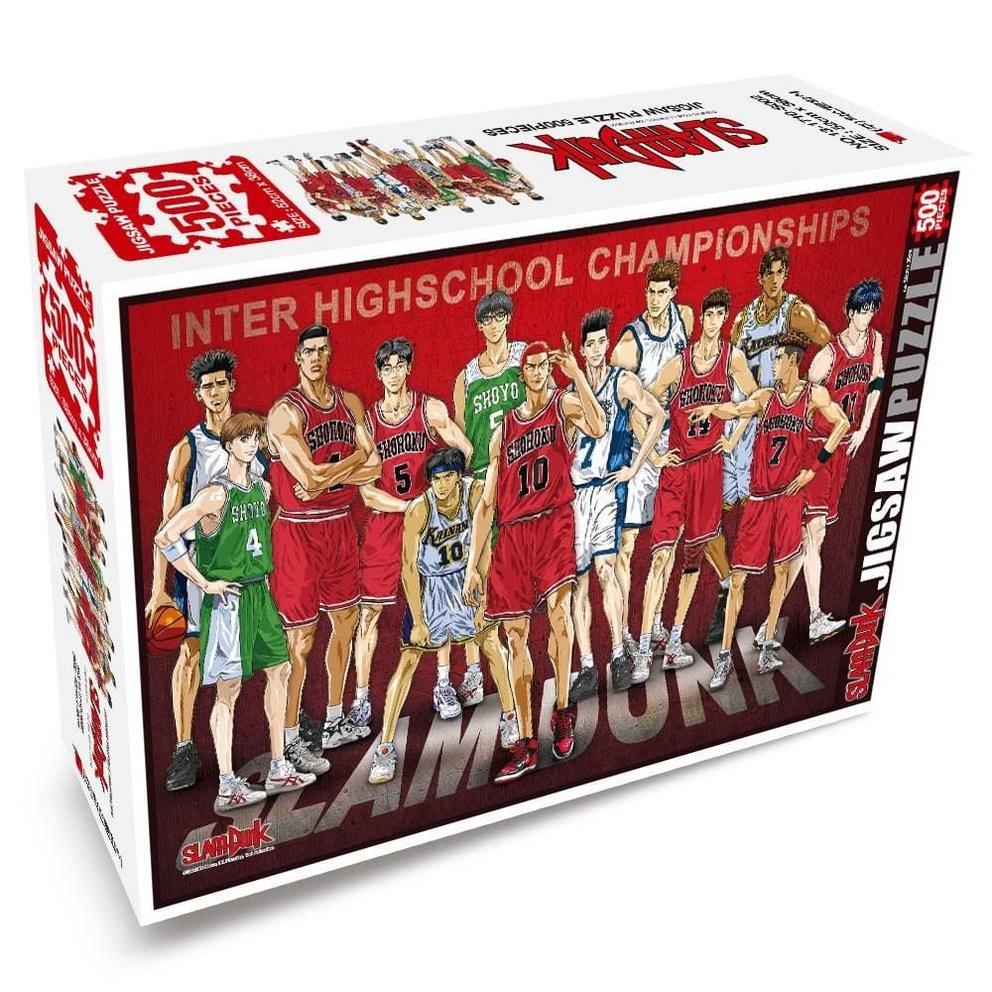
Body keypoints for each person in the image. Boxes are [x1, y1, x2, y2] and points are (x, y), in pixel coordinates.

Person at [154, 413, 318, 814]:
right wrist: (202, 582)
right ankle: (227, 784)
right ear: (228, 445)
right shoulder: (214, 494)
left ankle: (278, 766)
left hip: (260, 592)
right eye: (244, 439)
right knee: (228, 690)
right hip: (228, 599)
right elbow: (165, 535)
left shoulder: (262, 489)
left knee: (280, 669)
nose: (251, 444)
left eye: (255, 438)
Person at [464, 336, 606, 783]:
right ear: (521, 373)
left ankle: (562, 710)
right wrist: (472, 565)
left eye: (546, 365)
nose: (540, 371)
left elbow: (598, 426)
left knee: (560, 616)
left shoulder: (563, 405)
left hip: (553, 522)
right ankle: (525, 740)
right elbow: (487, 502)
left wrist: (576, 373)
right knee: (515, 637)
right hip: (513, 535)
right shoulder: (503, 428)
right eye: (533, 366)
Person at [692, 337, 849, 691]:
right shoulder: (766, 397)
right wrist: (711, 409)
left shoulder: (812, 396)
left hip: (788, 499)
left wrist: (813, 468)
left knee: (781, 572)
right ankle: (724, 658)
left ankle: (764, 647)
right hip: (760, 500)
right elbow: (737, 410)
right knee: (738, 579)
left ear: (792, 361)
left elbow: (841, 424)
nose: (773, 364)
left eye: (778, 358)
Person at [144, 350, 266, 792]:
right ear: (198, 394)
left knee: (266, 655)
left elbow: (269, 502)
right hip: (200, 564)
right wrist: (159, 588)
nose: (215, 391)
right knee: (192, 652)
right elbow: (167, 524)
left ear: (233, 385)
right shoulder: (187, 450)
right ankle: (184, 747)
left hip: (246, 567)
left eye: (220, 383)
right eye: (207, 386)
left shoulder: (254, 438)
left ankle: (280, 738)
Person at [368, 448, 520, 784]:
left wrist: (481, 592)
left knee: (491, 643)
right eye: (435, 479)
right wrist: (419, 619)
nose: (440, 485)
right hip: (432, 587)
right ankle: (385, 748)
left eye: (446, 477)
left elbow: (485, 543)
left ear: (458, 476)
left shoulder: (474, 493)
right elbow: (408, 567)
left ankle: (511, 718)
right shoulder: (419, 509)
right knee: (408, 662)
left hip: (465, 578)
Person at [266, 325, 381, 770]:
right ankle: (291, 737)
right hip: (297, 533)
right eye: (308, 351)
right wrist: (348, 464)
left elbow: (374, 466)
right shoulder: (284, 413)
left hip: (338, 526)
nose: (316, 357)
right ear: (297, 357)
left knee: (346, 622)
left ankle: (333, 719)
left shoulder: (349, 402)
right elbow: (310, 478)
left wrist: (326, 475)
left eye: (322, 350)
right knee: (300, 640)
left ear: (330, 354)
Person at [568, 308, 665, 699]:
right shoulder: (571, 393)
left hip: (608, 488)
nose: (596, 350)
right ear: (581, 349)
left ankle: (619, 655)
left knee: (607, 570)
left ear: (607, 345)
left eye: (600, 343)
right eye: (589, 344)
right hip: (577, 493)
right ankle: (587, 666)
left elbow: (657, 415)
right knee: (578, 583)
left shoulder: (622, 381)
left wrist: (634, 467)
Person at [611, 258, 692, 658]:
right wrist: (652, 455)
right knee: (627, 543)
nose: (655, 299)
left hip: (672, 442)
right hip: (637, 448)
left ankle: (655, 620)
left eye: (662, 292)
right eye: (650, 292)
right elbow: (626, 408)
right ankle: (625, 630)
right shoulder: (630, 343)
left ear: (673, 293)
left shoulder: (685, 319)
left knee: (668, 541)